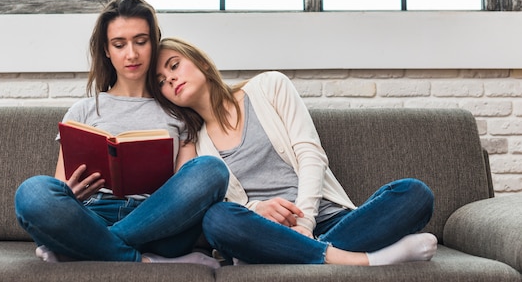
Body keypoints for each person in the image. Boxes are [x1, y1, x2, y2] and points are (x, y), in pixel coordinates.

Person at [153, 37, 438, 266]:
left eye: (174, 66)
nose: (170, 79)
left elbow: (311, 155)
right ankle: (362, 259)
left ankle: (302, 254)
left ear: (201, 62)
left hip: (326, 219)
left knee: (414, 193)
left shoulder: (269, 87)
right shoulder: (197, 146)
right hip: (266, 231)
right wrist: (256, 209)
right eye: (162, 81)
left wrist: (304, 223)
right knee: (217, 220)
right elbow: (199, 208)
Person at [14, 0, 228, 268]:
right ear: (106, 50)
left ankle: (87, 249)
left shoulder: (177, 111)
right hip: (93, 215)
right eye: (119, 44)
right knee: (32, 192)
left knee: (211, 170)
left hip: (157, 224)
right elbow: (60, 186)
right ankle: (141, 260)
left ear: (154, 42)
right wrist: (71, 193)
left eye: (141, 41)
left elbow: (185, 185)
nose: (132, 54)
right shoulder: (83, 111)